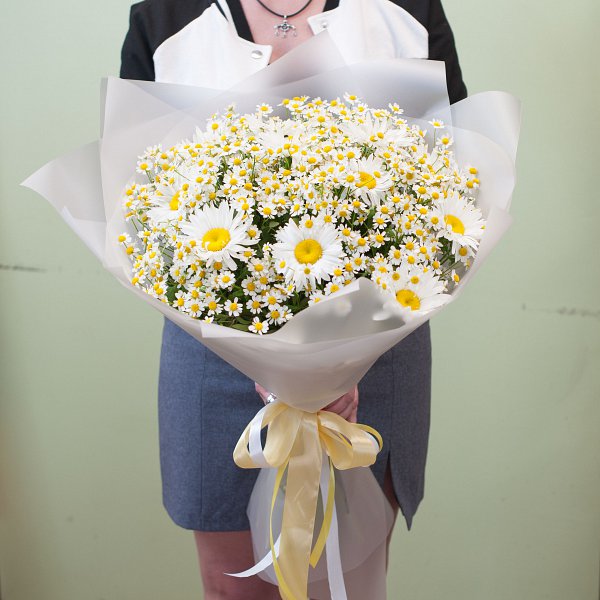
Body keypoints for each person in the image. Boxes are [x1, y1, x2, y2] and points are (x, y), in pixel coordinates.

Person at [120, 1, 467, 598]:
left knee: (349, 582)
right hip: (213, 348)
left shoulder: (407, 11)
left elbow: (453, 183)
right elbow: (139, 199)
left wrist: (341, 362)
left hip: (377, 347)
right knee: (233, 588)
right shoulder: (164, 17)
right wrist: (269, 357)